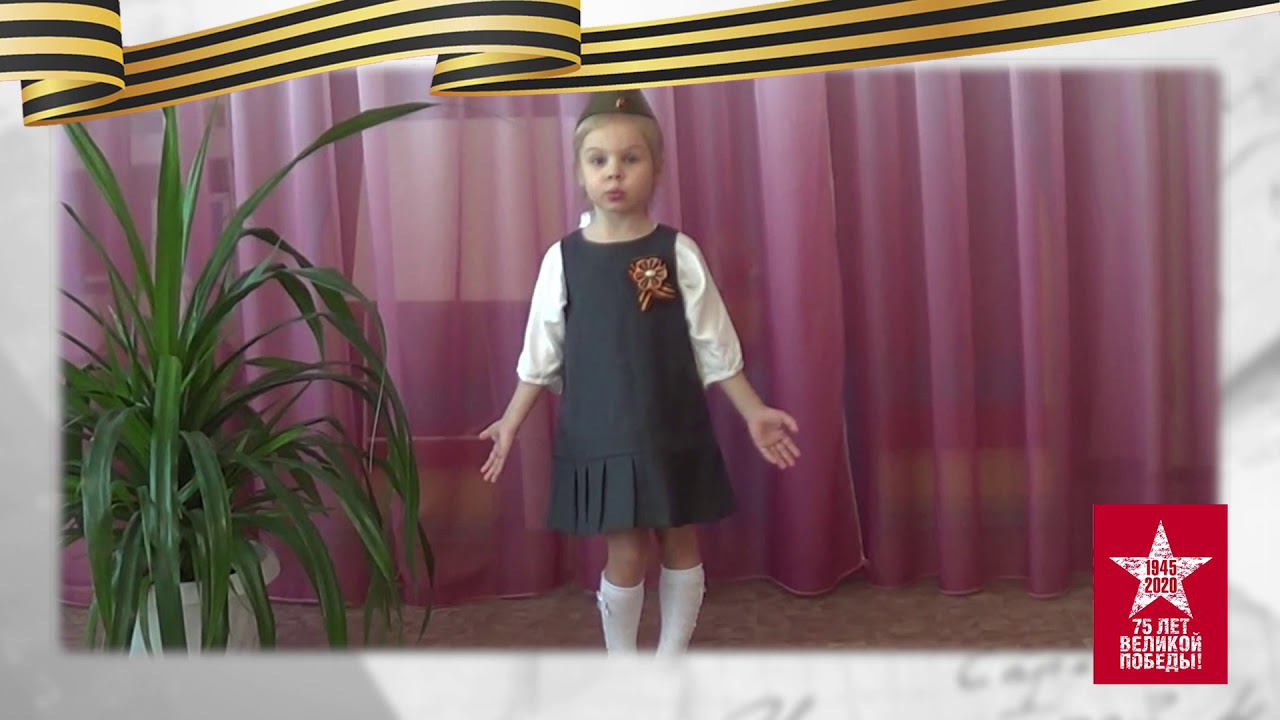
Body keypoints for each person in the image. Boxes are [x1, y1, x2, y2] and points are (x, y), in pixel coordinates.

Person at [479, 89, 800, 655]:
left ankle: (670, 661)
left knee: (681, 541)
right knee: (625, 550)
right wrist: (510, 422)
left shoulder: (677, 253)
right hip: (601, 430)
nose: (614, 172)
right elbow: (541, 352)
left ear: (656, 168)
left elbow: (713, 343)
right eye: (598, 159)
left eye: (630, 158)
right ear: (580, 173)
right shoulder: (563, 259)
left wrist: (753, 411)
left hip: (671, 425)